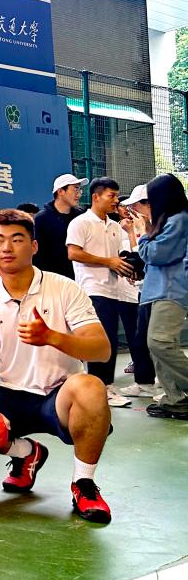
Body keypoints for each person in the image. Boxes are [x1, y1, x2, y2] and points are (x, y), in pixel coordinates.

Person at [0, 209, 113, 524]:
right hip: (10, 394)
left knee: (90, 387)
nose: (7, 247)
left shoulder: (65, 288)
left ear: (33, 246)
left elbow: (101, 350)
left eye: (17, 239)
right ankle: (25, 452)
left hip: (59, 395)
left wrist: (52, 337)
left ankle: (83, 483)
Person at [66, 177, 134, 407]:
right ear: (96, 197)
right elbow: (73, 253)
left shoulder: (115, 226)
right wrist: (108, 262)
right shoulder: (80, 223)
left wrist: (126, 268)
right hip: (92, 290)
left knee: (110, 340)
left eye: (116, 196)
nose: (116, 200)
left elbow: (118, 258)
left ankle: (106, 385)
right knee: (100, 341)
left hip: (114, 290)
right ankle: (100, 387)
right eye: (111, 195)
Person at [136, 174, 188, 420]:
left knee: (160, 342)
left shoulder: (179, 220)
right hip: (159, 290)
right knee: (157, 347)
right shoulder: (171, 221)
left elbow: (157, 254)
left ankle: (178, 396)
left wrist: (142, 234)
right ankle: (175, 400)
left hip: (171, 290)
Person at [116, 185, 159, 398]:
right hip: (146, 290)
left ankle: (173, 385)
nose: (131, 210)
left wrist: (137, 232)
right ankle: (148, 383)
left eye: (135, 206)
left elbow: (148, 255)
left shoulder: (165, 225)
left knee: (158, 342)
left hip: (161, 292)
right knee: (145, 340)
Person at [33, 174, 87, 279]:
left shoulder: (81, 217)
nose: (79, 194)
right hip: (51, 279)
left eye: (79, 190)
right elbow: (37, 255)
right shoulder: (41, 219)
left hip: (79, 279)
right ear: (60, 191)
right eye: (75, 189)